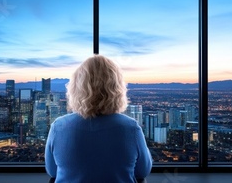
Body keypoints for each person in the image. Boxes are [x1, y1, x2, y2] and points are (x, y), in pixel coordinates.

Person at [45, 54, 153, 183]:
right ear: (116, 88)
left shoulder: (59, 126)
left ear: (76, 88)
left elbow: (52, 171)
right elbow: (142, 172)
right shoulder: (130, 127)